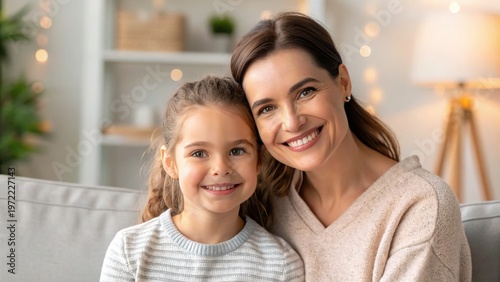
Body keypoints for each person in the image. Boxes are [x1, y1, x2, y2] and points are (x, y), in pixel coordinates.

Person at [230, 12, 471, 281]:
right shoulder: (261, 202)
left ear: (343, 82)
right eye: (267, 108)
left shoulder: (420, 206)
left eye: (305, 92)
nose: (292, 122)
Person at [100, 75, 304, 281]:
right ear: (170, 163)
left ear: (259, 160)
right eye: (199, 153)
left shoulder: (282, 265)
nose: (220, 168)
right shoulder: (129, 251)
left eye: (237, 151)